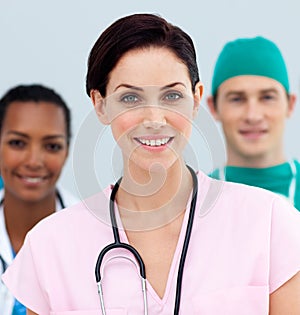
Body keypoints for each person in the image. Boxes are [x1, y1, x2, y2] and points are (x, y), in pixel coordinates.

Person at [2, 14, 300, 314]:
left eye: (172, 96)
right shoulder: (51, 245)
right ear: (100, 104)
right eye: (131, 98)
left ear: (195, 100)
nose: (155, 120)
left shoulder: (272, 224)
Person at [0, 84, 79, 315]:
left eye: (52, 146)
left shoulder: (96, 235)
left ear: (66, 152)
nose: (34, 161)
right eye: (17, 143)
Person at [206, 36, 300, 209]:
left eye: (267, 97)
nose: (253, 115)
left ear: (290, 104)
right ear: (213, 108)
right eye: (236, 99)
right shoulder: (194, 202)